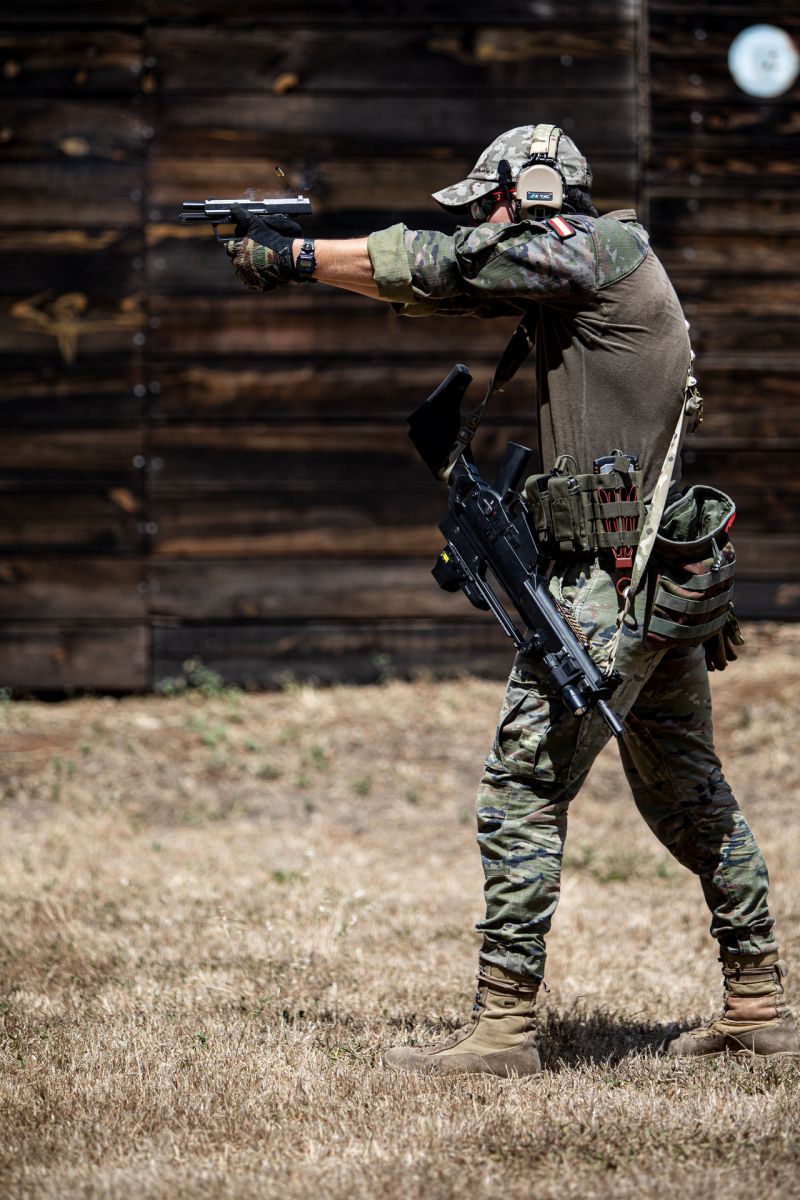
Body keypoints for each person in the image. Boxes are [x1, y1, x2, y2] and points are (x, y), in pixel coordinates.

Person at [227, 124, 797, 1075]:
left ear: (531, 195)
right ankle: (760, 1002)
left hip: (612, 587)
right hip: (647, 581)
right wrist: (305, 266)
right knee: (689, 793)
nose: (486, 223)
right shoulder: (574, 275)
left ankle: (502, 1032)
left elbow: (452, 265)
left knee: (523, 788)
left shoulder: (603, 251)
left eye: (493, 205)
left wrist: (291, 254)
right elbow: (441, 279)